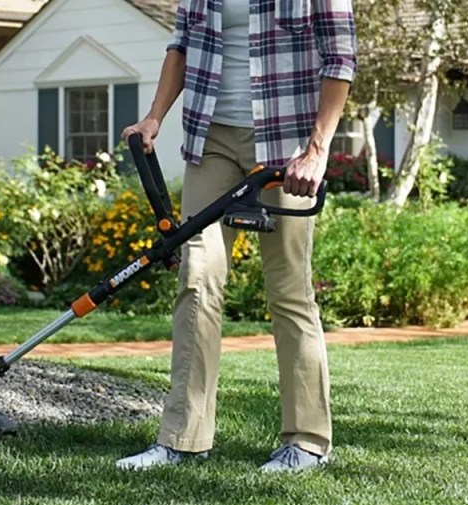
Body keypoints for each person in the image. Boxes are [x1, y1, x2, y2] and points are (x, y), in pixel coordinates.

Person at [117, 0, 357, 472]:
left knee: (288, 289)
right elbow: (181, 46)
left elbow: (340, 57)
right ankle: (184, 438)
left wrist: (316, 151)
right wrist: (154, 118)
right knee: (197, 277)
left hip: (284, 145)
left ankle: (307, 441)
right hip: (210, 138)